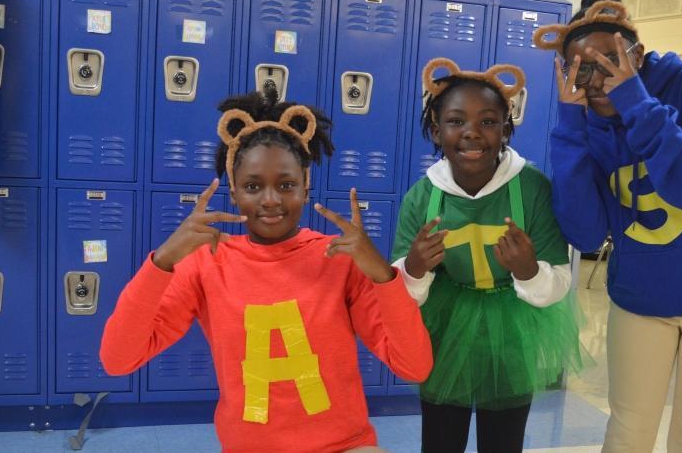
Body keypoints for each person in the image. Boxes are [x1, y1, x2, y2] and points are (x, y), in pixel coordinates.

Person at [99, 90, 433, 453]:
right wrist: (161, 262)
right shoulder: (208, 263)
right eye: (253, 186)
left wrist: (384, 277)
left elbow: (414, 367)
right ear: (234, 193)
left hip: (343, 446)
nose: (271, 199)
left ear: (306, 188)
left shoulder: (338, 258)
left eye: (286, 185)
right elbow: (118, 359)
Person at [533, 0, 682, 452]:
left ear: (635, 55)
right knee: (628, 432)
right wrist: (568, 123)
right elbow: (583, 233)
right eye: (581, 68)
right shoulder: (580, 112)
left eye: (609, 62)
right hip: (642, 298)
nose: (597, 81)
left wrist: (636, 103)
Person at [391, 58, 587, 453]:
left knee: (504, 441)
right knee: (441, 440)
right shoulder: (422, 197)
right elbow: (400, 296)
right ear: (436, 129)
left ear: (506, 129)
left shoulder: (532, 189)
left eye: (487, 122)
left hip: (513, 329)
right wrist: (412, 269)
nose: (471, 134)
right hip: (445, 331)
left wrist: (530, 271)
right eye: (455, 121)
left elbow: (559, 284)